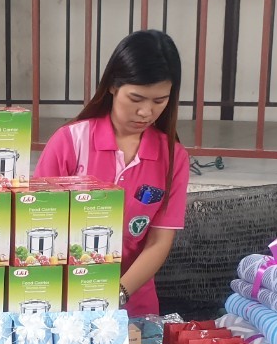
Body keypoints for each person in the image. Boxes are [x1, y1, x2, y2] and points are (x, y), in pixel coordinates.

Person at [33, 29, 189, 317]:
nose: (146, 112)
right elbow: (38, 224)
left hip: (134, 307)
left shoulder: (173, 157)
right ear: (113, 87)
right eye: (136, 98)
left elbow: (158, 242)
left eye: (159, 101)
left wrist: (116, 294)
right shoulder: (71, 142)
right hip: (64, 305)